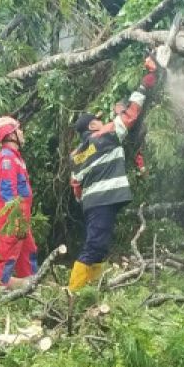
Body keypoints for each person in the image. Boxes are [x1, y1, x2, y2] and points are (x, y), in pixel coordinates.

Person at [66, 53, 162, 291]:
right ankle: (72, 294)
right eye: (98, 120)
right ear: (92, 126)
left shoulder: (76, 154)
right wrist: (144, 84)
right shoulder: (105, 135)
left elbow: (76, 186)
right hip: (104, 200)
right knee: (94, 247)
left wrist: (88, 199)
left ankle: (91, 291)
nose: (103, 121)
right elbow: (130, 116)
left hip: (92, 203)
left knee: (99, 247)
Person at [0, 116, 39, 288]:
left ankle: (32, 286)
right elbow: (7, 190)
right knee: (6, 256)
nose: (22, 132)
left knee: (28, 252)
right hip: (11, 217)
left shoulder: (15, 157)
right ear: (11, 134)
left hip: (20, 217)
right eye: (18, 129)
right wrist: (15, 217)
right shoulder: (7, 159)